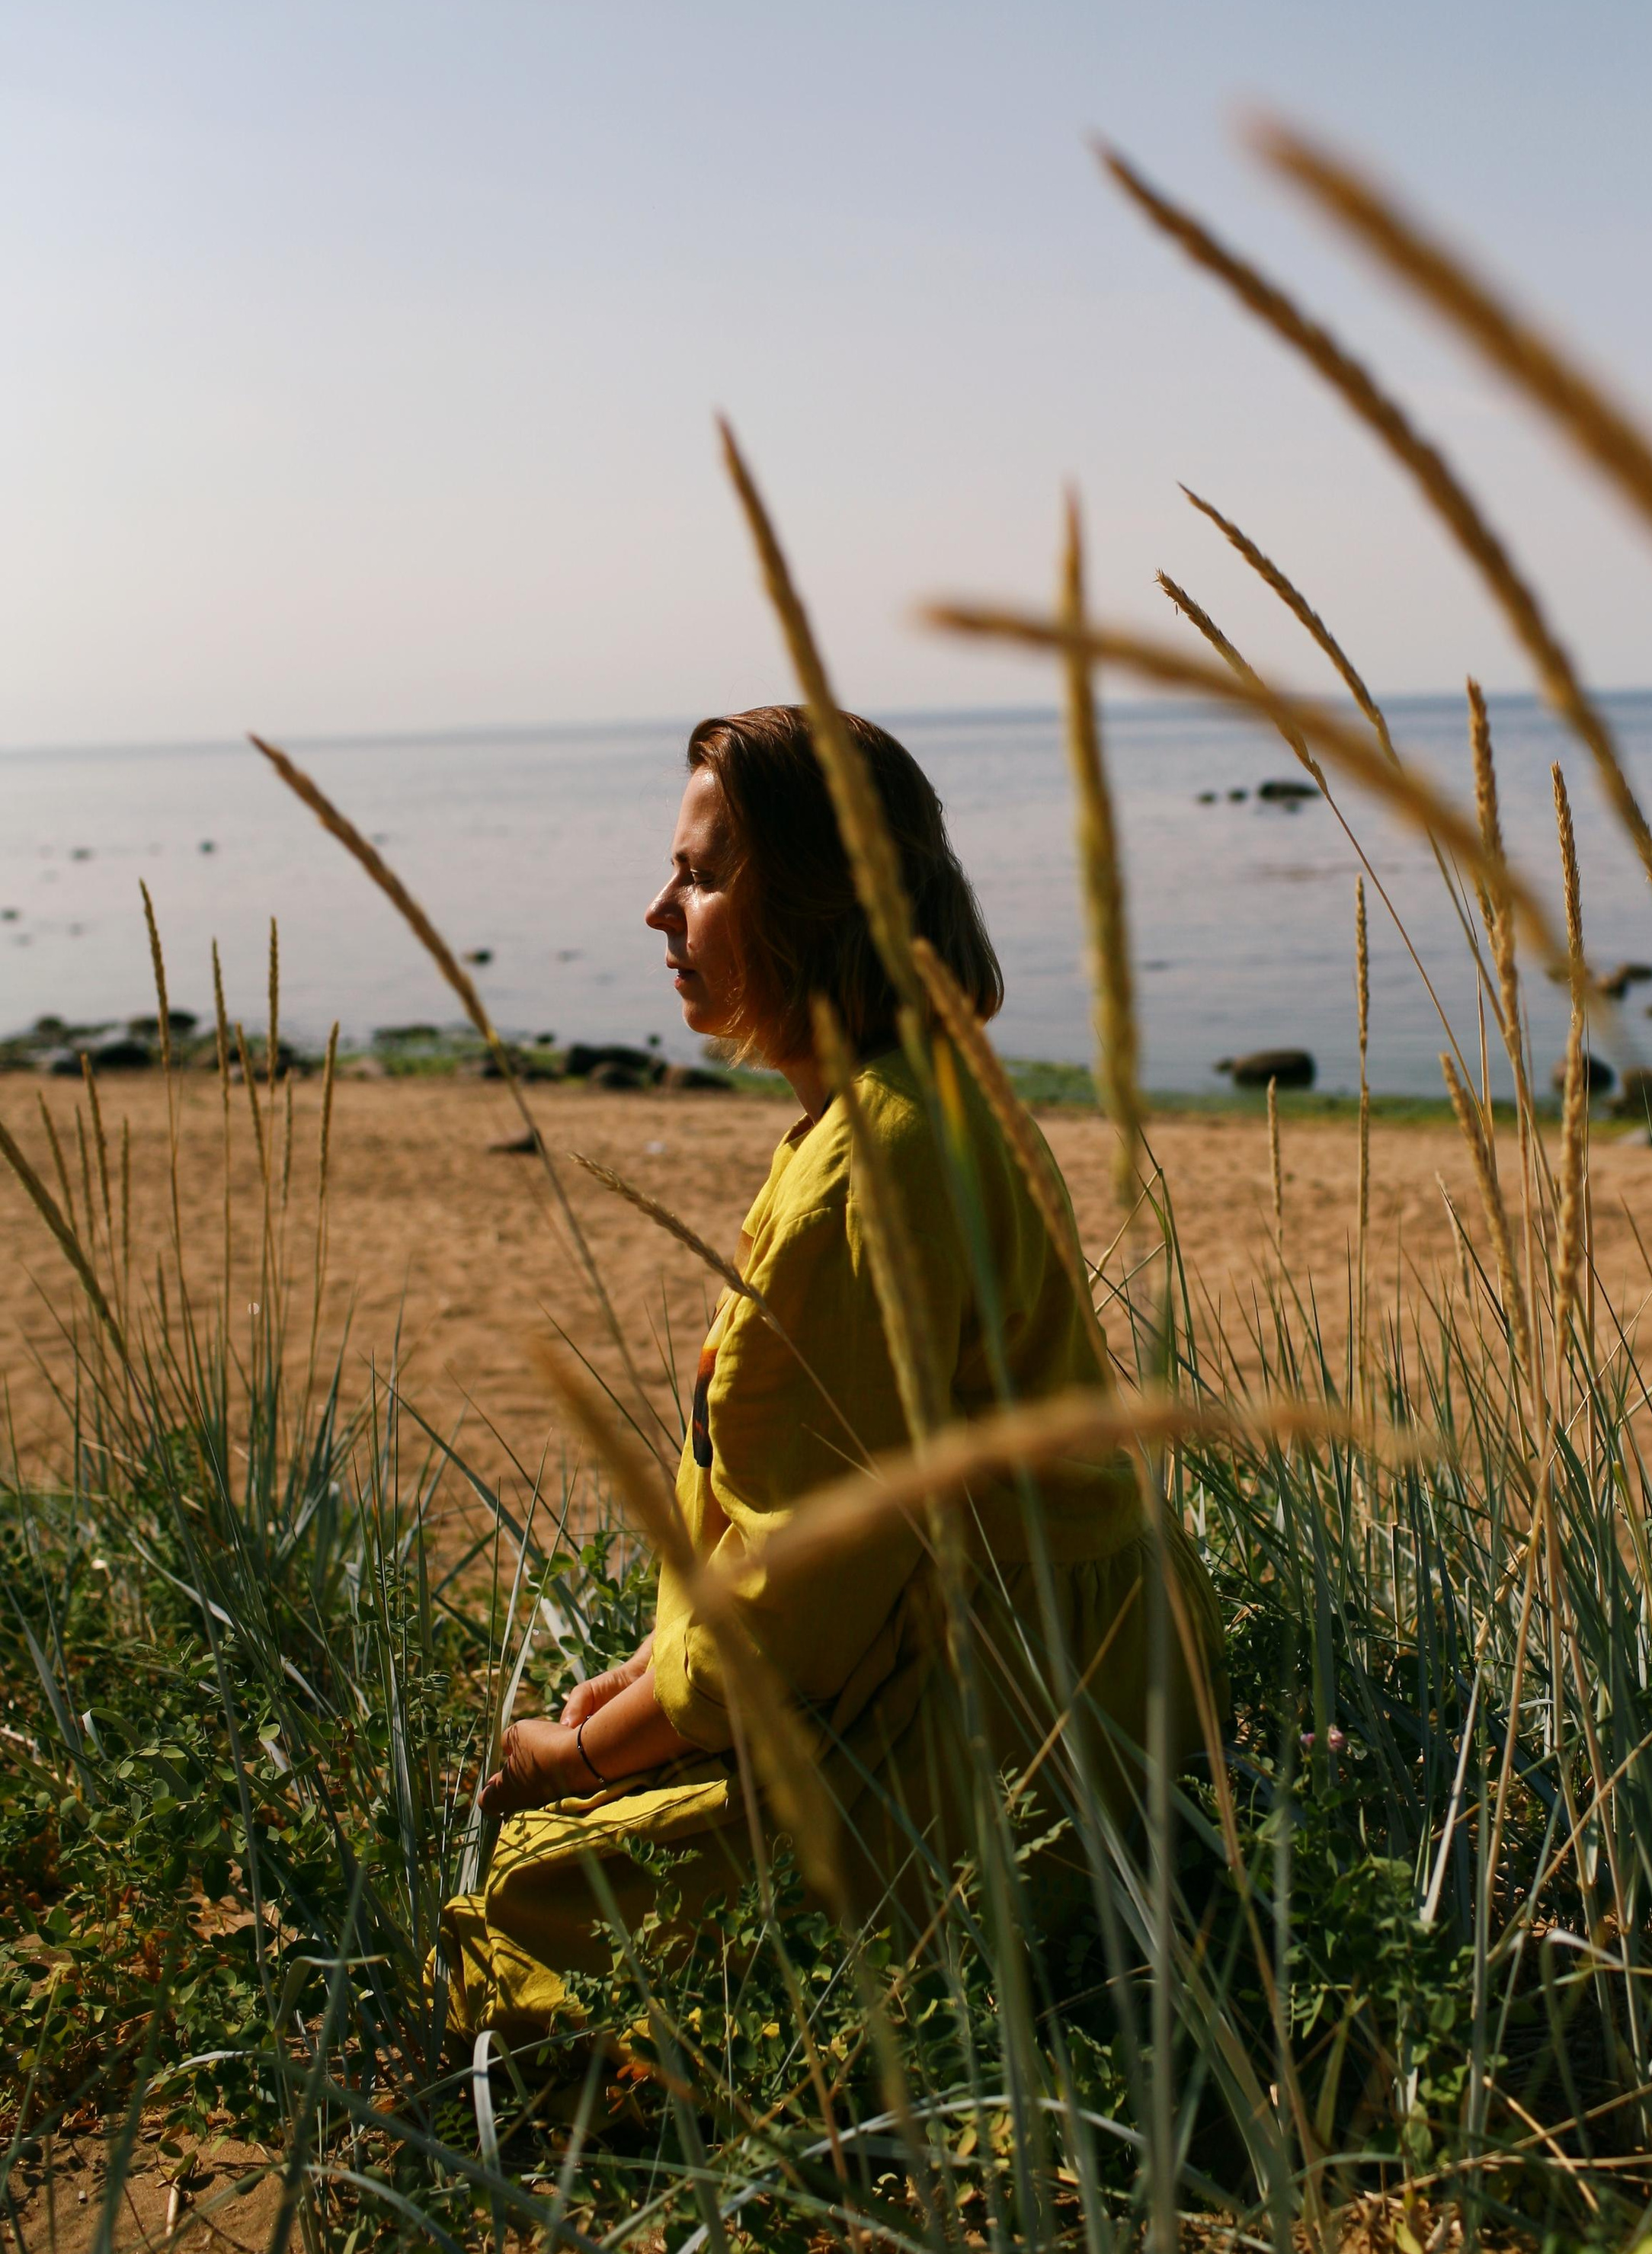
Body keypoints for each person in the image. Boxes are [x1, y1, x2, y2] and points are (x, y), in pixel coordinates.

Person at [435, 706, 1221, 2038]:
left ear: (810, 896)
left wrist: (576, 1755)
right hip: (1079, 1670)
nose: (657, 911)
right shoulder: (921, 1094)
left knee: (525, 1900)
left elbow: (803, 1608)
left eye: (701, 875)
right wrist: (644, 1677)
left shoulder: (866, 1170)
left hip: (992, 1721)